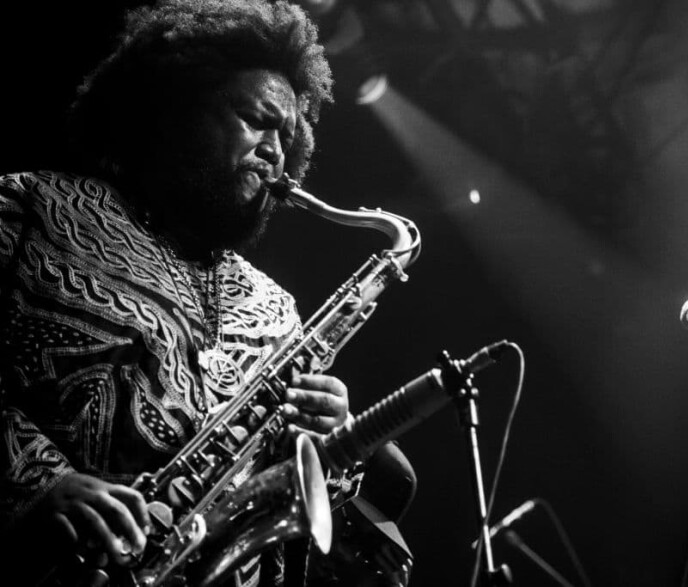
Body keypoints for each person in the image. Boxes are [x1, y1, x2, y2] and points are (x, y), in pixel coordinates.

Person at [0, 1, 414, 585]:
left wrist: (333, 448)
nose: (275, 147)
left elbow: (294, 508)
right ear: (175, 108)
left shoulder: (277, 310)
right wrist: (40, 484)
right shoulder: (33, 207)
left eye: (288, 136)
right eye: (256, 118)